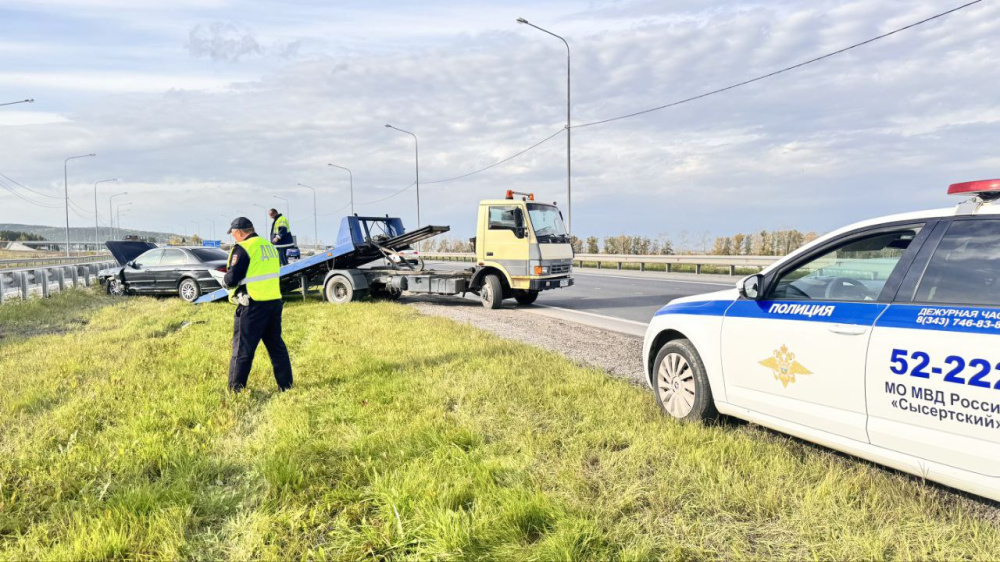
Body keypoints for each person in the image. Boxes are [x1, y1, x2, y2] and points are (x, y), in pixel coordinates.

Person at [223, 217, 293, 392]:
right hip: (274, 302)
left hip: (252, 304)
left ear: (239, 232)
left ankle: (236, 390)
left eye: (233, 235)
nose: (234, 238)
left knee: (242, 350)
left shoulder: (244, 248)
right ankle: (286, 386)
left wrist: (224, 281)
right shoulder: (269, 246)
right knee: (276, 347)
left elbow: (232, 278)